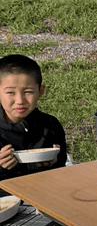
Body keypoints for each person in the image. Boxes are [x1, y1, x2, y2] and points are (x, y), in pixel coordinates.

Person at [0, 55, 67, 196]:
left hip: (43, 195)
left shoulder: (50, 125)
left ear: (40, 91)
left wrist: (54, 161)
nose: (20, 100)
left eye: (28, 92)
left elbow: (62, 165)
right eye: (10, 92)